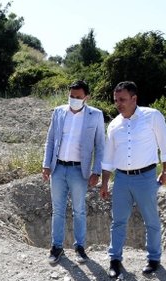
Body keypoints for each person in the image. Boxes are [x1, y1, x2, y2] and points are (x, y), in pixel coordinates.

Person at [100, 81, 166, 278]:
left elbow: (165, 146)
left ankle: (154, 259)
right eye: (116, 100)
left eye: (122, 99)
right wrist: (105, 182)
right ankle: (115, 260)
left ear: (134, 99)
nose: (118, 104)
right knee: (118, 221)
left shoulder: (152, 116)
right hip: (122, 179)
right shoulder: (114, 125)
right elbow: (108, 157)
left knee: (151, 220)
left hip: (146, 177)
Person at [42, 79, 105, 265]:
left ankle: (80, 247)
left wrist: (97, 171)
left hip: (79, 170)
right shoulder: (59, 112)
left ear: (86, 97)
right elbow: (50, 140)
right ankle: (57, 247)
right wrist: (46, 165)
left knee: (79, 210)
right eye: (71, 96)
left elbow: (100, 145)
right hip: (58, 168)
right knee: (58, 209)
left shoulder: (95, 115)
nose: (74, 99)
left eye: (78, 97)